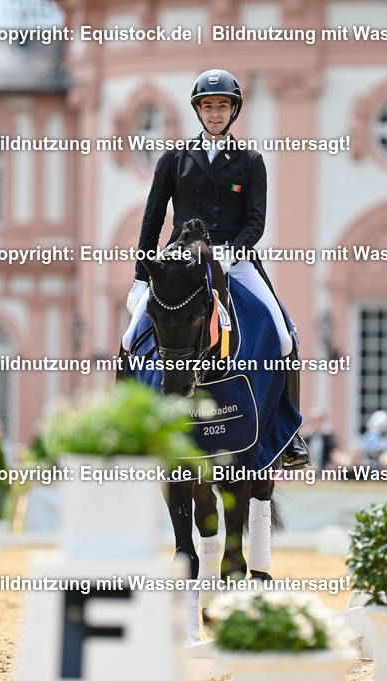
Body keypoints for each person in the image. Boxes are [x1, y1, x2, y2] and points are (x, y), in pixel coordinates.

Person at [121, 68, 309, 469]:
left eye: (222, 106)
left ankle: (289, 435)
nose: (215, 113)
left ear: (233, 110)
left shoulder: (251, 161)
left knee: (283, 335)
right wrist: (141, 277)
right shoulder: (174, 159)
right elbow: (152, 220)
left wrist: (231, 252)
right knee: (128, 337)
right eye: (208, 106)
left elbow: (256, 221)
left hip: (233, 258)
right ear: (198, 110)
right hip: (178, 260)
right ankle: (127, 425)